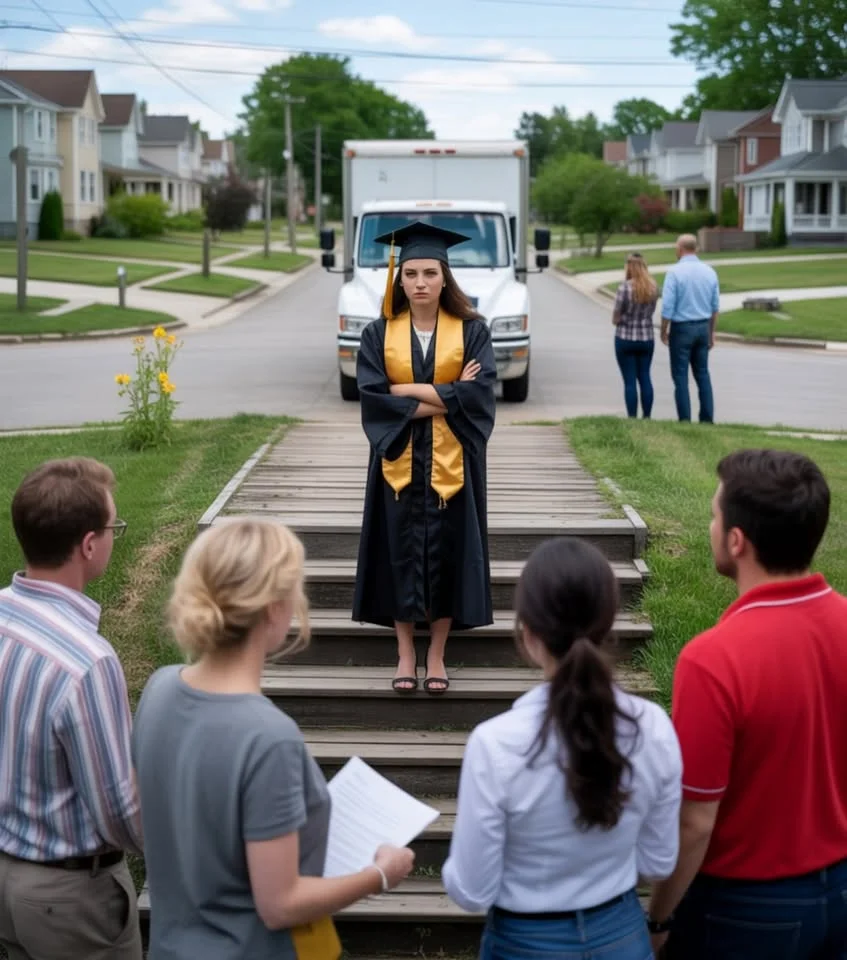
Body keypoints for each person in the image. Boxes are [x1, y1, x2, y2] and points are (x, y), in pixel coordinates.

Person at [132, 517, 415, 960]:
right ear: (273, 608)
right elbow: (280, 904)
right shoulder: (269, 738)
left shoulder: (160, 688)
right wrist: (379, 875)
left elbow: (148, 817)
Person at [442, 537, 682, 960]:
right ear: (608, 623)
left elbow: (471, 890)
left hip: (524, 942)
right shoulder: (654, 728)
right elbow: (659, 864)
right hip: (622, 935)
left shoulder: (496, 743)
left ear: (527, 633)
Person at [648, 449, 847, 959]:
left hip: (746, 907)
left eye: (715, 515)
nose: (711, 525)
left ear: (737, 541)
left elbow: (695, 820)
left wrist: (660, 915)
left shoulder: (712, 659)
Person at [0, 457, 143, 960]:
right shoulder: (88, 662)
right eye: (112, 527)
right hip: (71, 900)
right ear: (88, 544)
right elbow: (120, 813)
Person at [353, 220, 497, 695]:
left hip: (454, 467)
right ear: (400, 278)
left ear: (445, 277)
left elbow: (479, 399)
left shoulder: (473, 332)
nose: (419, 283)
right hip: (397, 463)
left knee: (451, 552)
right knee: (396, 551)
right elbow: (374, 398)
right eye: (410, 273)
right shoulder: (378, 334)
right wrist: (448, 393)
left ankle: (436, 653)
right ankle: (405, 652)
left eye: (429, 273)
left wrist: (406, 391)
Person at [659, 234, 719, 423]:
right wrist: (711, 333)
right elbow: (715, 307)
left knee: (680, 376)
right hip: (702, 326)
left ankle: (685, 418)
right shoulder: (710, 271)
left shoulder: (674, 273)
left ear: (680, 249)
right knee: (702, 373)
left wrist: (663, 330)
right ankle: (707, 418)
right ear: (697, 249)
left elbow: (667, 306)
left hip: (682, 327)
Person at [612, 252, 658, 418]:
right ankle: (647, 416)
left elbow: (616, 314)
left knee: (630, 380)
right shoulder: (653, 286)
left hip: (625, 337)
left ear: (629, 267)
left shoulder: (624, 287)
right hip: (646, 338)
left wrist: (619, 319)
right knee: (645, 376)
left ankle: (632, 416)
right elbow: (651, 311)